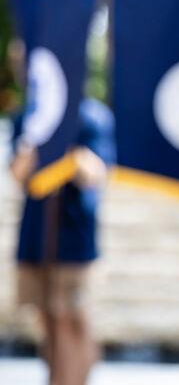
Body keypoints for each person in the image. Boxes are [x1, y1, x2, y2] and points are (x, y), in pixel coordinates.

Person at [10, 96, 115, 385]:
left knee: (73, 321)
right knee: (48, 322)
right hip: (36, 235)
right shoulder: (30, 114)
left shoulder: (92, 116)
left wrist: (67, 152)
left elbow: (97, 172)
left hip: (75, 238)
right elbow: (18, 174)